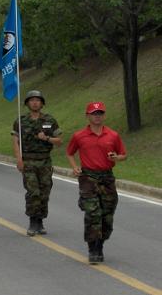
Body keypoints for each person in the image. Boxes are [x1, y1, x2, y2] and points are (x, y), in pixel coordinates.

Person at [66, 102, 126, 264]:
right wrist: (75, 167)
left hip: (107, 177)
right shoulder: (79, 136)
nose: (97, 116)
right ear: (88, 116)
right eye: (94, 113)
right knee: (93, 213)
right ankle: (93, 248)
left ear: (104, 115)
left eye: (100, 113)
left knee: (107, 215)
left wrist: (116, 158)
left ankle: (101, 243)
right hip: (88, 177)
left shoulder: (113, 135)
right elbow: (70, 152)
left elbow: (123, 155)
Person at [12, 90, 62, 236]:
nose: (35, 102)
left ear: (42, 103)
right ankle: (33, 222)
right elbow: (15, 141)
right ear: (27, 103)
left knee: (44, 192)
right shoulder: (20, 121)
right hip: (28, 160)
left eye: (37, 100)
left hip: (45, 161)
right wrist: (19, 159)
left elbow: (59, 141)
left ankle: (40, 221)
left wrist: (46, 138)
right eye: (32, 100)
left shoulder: (49, 120)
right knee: (33, 192)